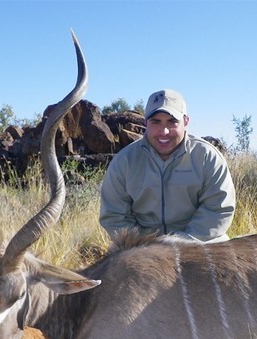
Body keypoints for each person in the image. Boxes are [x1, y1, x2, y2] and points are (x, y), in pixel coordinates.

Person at [100, 89, 236, 242]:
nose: (164, 131)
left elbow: (218, 210)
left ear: (186, 122)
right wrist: (144, 246)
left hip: (200, 244)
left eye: (172, 122)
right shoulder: (124, 161)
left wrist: (178, 244)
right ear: (145, 123)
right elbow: (114, 216)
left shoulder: (207, 157)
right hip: (143, 249)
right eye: (156, 122)